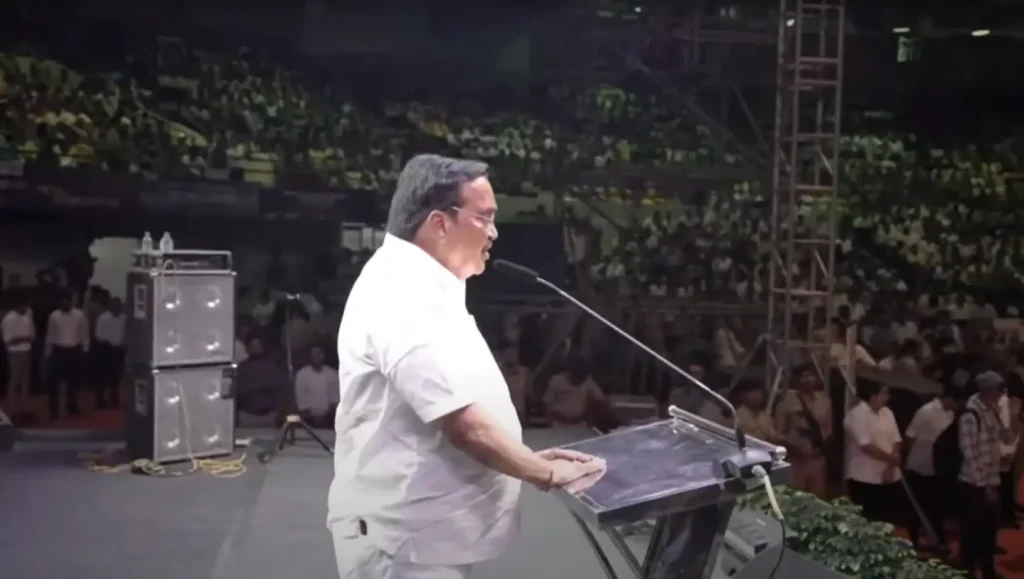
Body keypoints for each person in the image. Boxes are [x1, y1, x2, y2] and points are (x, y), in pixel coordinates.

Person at [328, 154, 604, 579]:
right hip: (405, 544)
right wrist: (544, 472)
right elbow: (463, 423)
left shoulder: (429, 282)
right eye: (485, 218)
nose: (494, 233)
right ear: (440, 223)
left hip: (427, 535)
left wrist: (520, 455)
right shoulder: (402, 293)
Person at [903, 385, 959, 550]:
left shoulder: (950, 413)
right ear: (949, 399)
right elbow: (909, 436)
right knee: (916, 506)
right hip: (919, 466)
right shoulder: (926, 412)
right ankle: (913, 539)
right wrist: (906, 460)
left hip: (938, 468)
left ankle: (939, 538)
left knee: (937, 506)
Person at [844, 382, 903, 523]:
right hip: (865, 477)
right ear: (872, 395)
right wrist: (890, 459)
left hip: (889, 475)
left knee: (887, 519)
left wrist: (891, 465)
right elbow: (865, 446)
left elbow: (896, 439)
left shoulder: (887, 412)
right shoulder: (856, 415)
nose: (887, 397)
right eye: (884, 393)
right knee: (867, 519)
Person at [774, 364, 833, 497]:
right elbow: (778, 434)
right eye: (803, 376)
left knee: (818, 501)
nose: (808, 380)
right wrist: (795, 451)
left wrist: (821, 449)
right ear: (796, 380)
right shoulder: (786, 402)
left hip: (817, 459)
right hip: (796, 460)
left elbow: (828, 430)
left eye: (811, 375)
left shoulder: (825, 401)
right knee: (794, 500)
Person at [44, 292, 89, 420]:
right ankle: (53, 410)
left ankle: (72, 406)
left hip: (74, 350)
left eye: (66, 302)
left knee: (74, 381)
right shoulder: (54, 316)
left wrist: (85, 351)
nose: (63, 304)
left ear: (71, 302)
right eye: (61, 302)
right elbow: (50, 335)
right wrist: (48, 353)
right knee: (54, 383)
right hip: (58, 350)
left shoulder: (80, 315)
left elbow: (84, 334)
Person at [542, 357, 606, 426]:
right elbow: (546, 402)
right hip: (558, 423)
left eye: (581, 380)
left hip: (579, 423)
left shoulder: (588, 381)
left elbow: (600, 398)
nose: (579, 382)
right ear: (571, 373)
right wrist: (549, 421)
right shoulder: (556, 380)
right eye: (577, 379)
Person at [1, 295, 34, 418]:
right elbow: (8, 340)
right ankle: (13, 411)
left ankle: (24, 409)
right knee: (14, 382)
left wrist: (29, 338)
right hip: (15, 353)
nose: (28, 308)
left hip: (26, 351)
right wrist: (24, 338)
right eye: (26, 306)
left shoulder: (26, 316)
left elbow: (30, 333)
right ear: (19, 305)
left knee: (25, 382)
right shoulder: (9, 319)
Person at [294, 344, 339, 428]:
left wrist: (326, 417)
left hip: (329, 419)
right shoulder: (302, 374)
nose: (316, 356)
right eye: (313, 354)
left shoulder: (332, 373)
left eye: (319, 354)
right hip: (308, 419)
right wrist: (311, 417)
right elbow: (300, 398)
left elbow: (335, 397)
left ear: (323, 355)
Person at [93, 297, 126, 408]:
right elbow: (98, 335)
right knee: (103, 376)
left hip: (119, 349)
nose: (118, 307)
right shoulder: (103, 318)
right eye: (115, 305)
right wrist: (110, 344)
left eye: (119, 305)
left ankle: (114, 399)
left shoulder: (124, 318)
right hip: (106, 349)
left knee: (117, 377)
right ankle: (100, 401)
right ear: (111, 306)